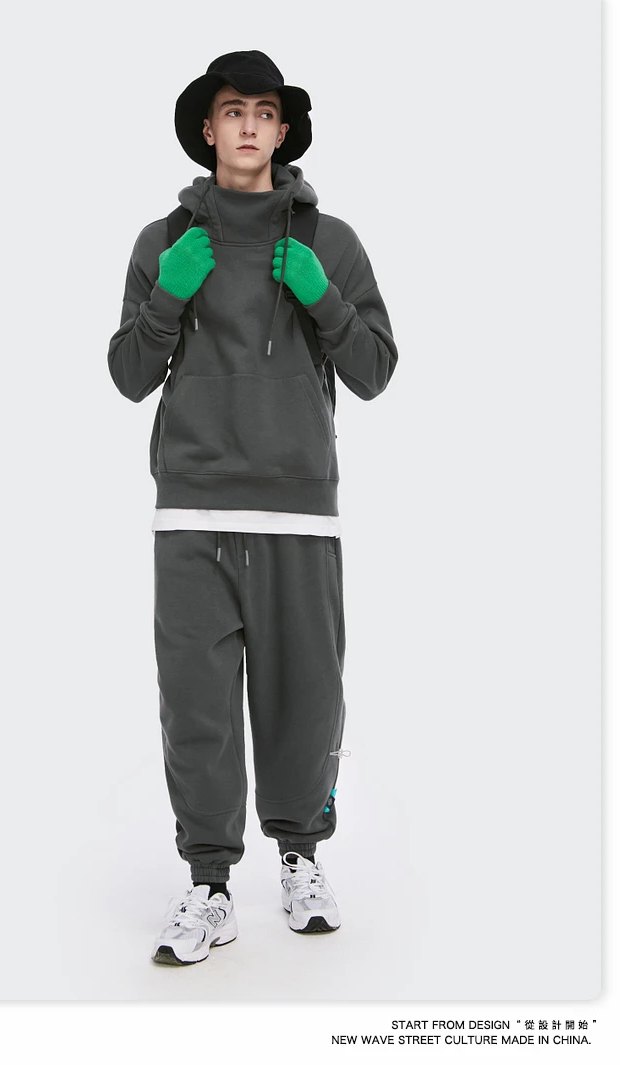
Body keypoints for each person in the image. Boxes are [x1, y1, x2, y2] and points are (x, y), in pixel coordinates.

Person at [107, 50, 398, 966]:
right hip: (191, 508)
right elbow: (127, 375)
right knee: (195, 705)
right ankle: (209, 884)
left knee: (305, 698)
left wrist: (324, 299)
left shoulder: (330, 242)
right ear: (208, 128)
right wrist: (168, 295)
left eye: (264, 112)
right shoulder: (164, 241)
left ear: (282, 131)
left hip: (298, 508)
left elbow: (375, 371)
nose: (247, 125)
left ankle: (302, 859)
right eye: (232, 110)